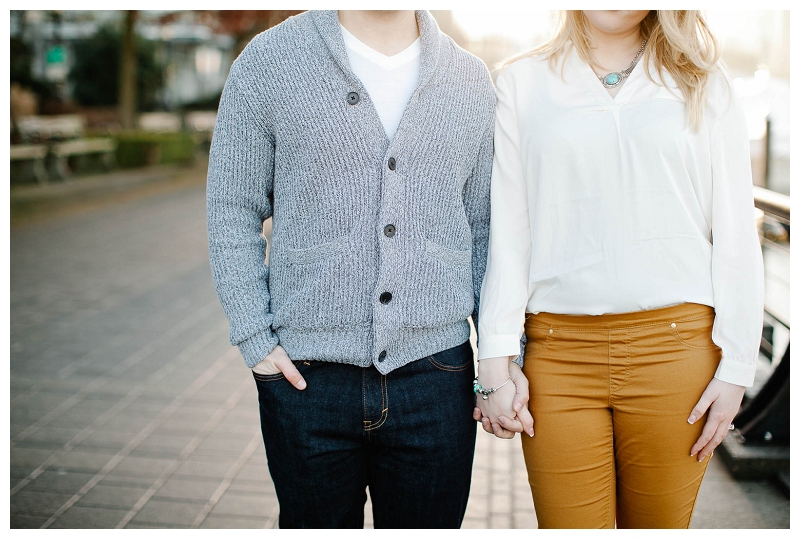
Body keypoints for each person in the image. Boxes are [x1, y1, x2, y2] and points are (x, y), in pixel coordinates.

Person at [206, 9, 531, 529]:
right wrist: (255, 338)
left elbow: (485, 229)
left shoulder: (469, 80)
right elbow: (231, 206)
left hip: (437, 377)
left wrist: (505, 352)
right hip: (305, 380)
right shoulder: (268, 63)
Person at [474, 10, 764, 528]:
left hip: (677, 356)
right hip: (558, 359)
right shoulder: (522, 82)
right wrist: (494, 359)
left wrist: (738, 367)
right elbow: (509, 232)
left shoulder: (703, 83)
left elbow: (737, 233)